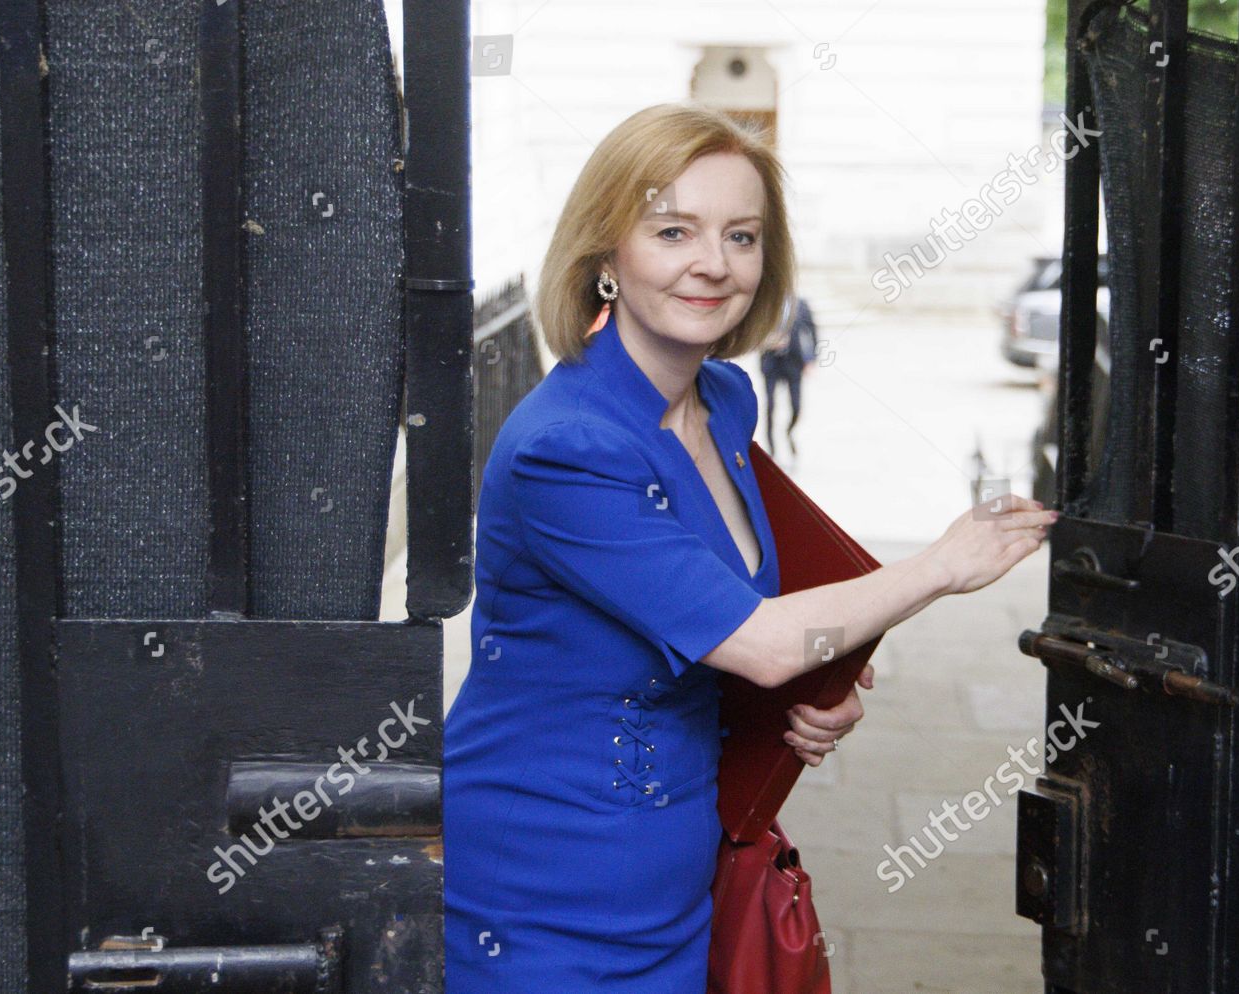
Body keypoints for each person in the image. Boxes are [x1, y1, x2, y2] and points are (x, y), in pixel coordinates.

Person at [442, 102, 1055, 993]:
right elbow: (761, 640)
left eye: (741, 235)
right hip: (541, 889)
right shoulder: (564, 449)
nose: (713, 263)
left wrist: (813, 690)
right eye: (672, 230)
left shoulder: (724, 400)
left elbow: (720, 624)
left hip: (681, 876)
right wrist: (938, 568)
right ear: (606, 254)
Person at [759, 292, 816, 458]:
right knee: (770, 406)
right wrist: (768, 341)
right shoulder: (765, 304)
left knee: (796, 406)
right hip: (771, 362)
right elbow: (752, 332)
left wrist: (811, 358)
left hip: (793, 362)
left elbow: (812, 330)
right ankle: (771, 449)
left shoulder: (801, 304)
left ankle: (789, 432)